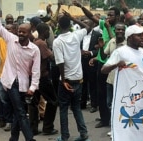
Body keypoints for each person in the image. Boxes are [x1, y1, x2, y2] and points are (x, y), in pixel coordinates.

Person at [0, 0, 40, 140]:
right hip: (10, 82)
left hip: (24, 85)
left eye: (24, 32)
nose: (21, 34)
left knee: (18, 113)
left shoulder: (34, 50)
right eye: (19, 31)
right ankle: (30, 139)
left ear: (30, 33)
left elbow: (36, 71)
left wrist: (33, 87)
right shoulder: (11, 39)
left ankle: (13, 138)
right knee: (20, 111)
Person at [73, 0, 121, 128]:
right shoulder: (104, 25)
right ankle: (104, 118)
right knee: (101, 92)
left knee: (113, 94)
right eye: (107, 15)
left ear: (117, 16)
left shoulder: (121, 29)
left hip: (114, 66)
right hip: (102, 63)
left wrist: (109, 28)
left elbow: (114, 42)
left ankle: (115, 119)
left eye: (111, 15)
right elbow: (91, 17)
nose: (108, 17)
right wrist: (82, 6)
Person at [52, 10, 91, 141]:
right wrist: (73, 18)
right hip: (78, 79)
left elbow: (60, 62)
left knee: (63, 109)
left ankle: (64, 136)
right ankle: (84, 134)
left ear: (58, 25)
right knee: (76, 108)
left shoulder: (57, 42)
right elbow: (88, 27)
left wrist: (63, 80)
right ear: (70, 25)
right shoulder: (76, 36)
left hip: (66, 80)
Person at [28, 23, 58, 136]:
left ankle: (33, 128)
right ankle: (48, 127)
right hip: (42, 77)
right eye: (48, 31)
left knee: (33, 102)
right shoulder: (41, 43)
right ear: (44, 31)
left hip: (34, 77)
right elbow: (51, 58)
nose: (49, 33)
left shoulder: (35, 42)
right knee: (53, 101)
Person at [80, 17, 101, 112]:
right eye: (84, 24)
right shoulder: (80, 34)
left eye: (87, 24)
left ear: (93, 25)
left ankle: (94, 104)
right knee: (82, 83)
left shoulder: (97, 35)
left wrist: (91, 53)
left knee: (92, 83)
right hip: (81, 61)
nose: (85, 26)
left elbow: (100, 49)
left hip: (91, 61)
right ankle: (82, 103)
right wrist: (80, 52)